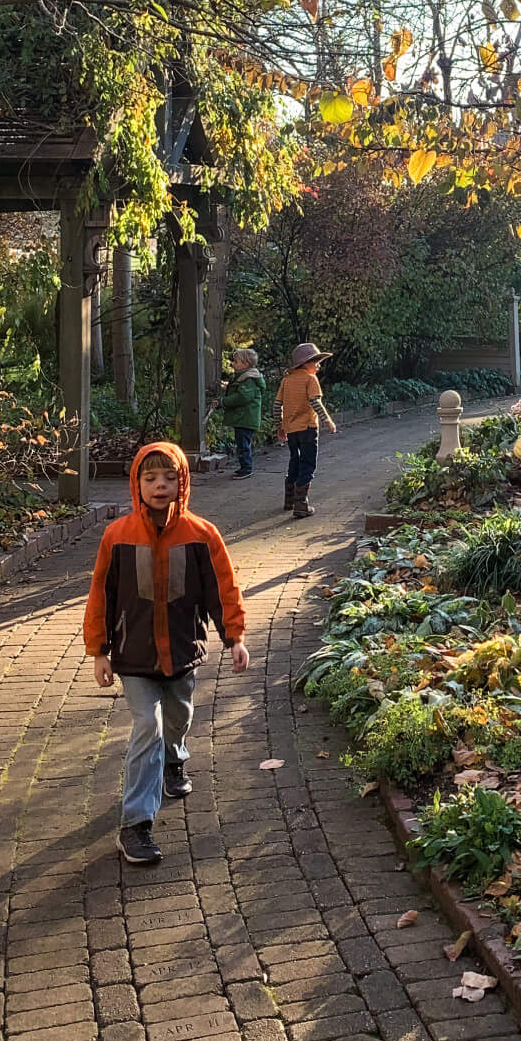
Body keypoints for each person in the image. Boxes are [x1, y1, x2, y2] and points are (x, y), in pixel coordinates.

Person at [83, 440, 249, 866]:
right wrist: (98, 650)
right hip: (133, 657)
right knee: (148, 726)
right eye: (150, 477)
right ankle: (135, 825)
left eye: (169, 477)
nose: (160, 485)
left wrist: (235, 637)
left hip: (181, 652)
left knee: (179, 717)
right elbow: (100, 595)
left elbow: (222, 589)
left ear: (183, 482)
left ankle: (175, 760)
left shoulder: (201, 535)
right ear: (137, 484)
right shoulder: (116, 537)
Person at [274, 340, 337, 520]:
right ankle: (301, 504)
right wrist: (328, 420)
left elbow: (277, 405)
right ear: (306, 363)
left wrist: (279, 426)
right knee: (308, 463)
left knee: (295, 460)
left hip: (291, 430)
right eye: (315, 362)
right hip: (308, 428)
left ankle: (289, 499)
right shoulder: (310, 379)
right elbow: (315, 402)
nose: (318, 366)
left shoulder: (286, 380)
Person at [219, 346, 266, 478]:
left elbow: (243, 397)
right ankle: (244, 466)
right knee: (242, 443)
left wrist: (224, 401)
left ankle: (246, 468)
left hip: (245, 418)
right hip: (242, 417)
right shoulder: (242, 378)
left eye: (236, 362)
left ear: (245, 364)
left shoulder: (248, 379)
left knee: (243, 444)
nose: (233, 364)